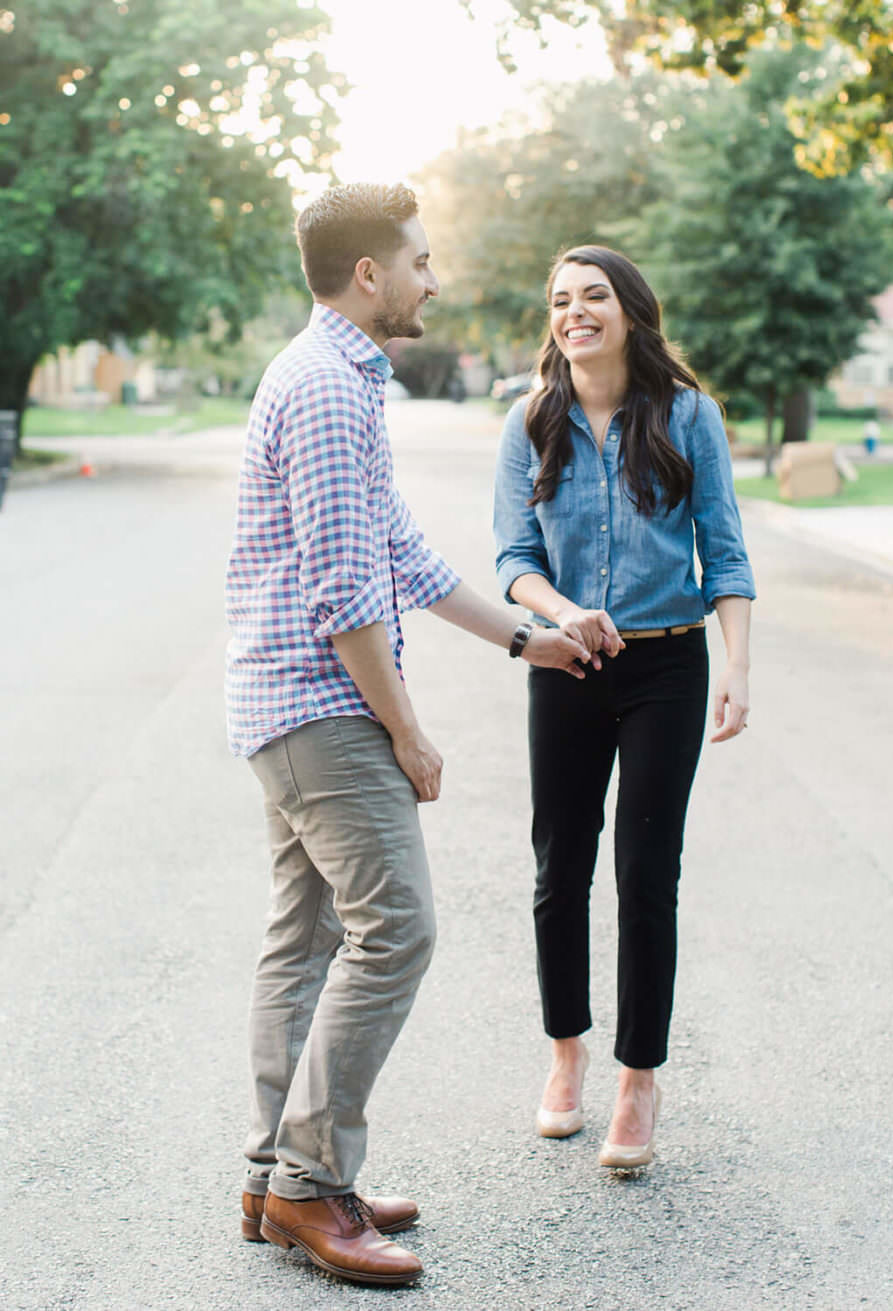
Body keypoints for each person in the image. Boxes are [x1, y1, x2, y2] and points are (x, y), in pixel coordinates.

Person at [226, 183, 602, 1285]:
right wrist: (411, 733)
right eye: (423, 262)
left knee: (303, 947)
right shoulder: (329, 395)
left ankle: (274, 1177)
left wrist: (527, 637)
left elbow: (405, 558)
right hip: (326, 711)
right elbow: (347, 600)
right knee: (397, 933)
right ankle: (307, 1188)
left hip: (284, 711)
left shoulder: (329, 379)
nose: (435, 280)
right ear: (369, 276)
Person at [492, 245, 754, 1171]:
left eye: (594, 296)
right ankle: (567, 1054)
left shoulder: (689, 416)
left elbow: (724, 554)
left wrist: (736, 667)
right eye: (561, 300)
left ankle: (638, 1078)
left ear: (632, 311)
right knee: (559, 867)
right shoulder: (532, 422)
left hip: (664, 671)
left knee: (647, 874)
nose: (575, 313)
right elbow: (512, 559)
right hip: (564, 667)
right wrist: (564, 612)